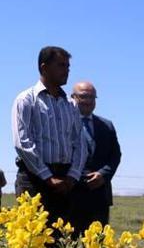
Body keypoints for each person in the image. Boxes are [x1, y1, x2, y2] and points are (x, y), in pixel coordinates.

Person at [12, 46, 86, 229]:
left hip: (66, 182)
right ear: (44, 68)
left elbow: (80, 143)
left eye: (68, 66)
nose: (66, 70)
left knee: (61, 244)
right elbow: (22, 143)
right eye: (61, 65)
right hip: (34, 180)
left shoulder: (70, 104)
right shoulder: (26, 100)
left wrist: (72, 177)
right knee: (32, 241)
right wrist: (48, 177)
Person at [69, 82, 122, 235]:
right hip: (70, 194)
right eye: (83, 96)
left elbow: (115, 155)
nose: (88, 101)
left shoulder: (107, 125)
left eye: (92, 97)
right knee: (68, 246)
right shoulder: (64, 123)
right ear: (73, 97)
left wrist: (103, 174)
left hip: (99, 195)